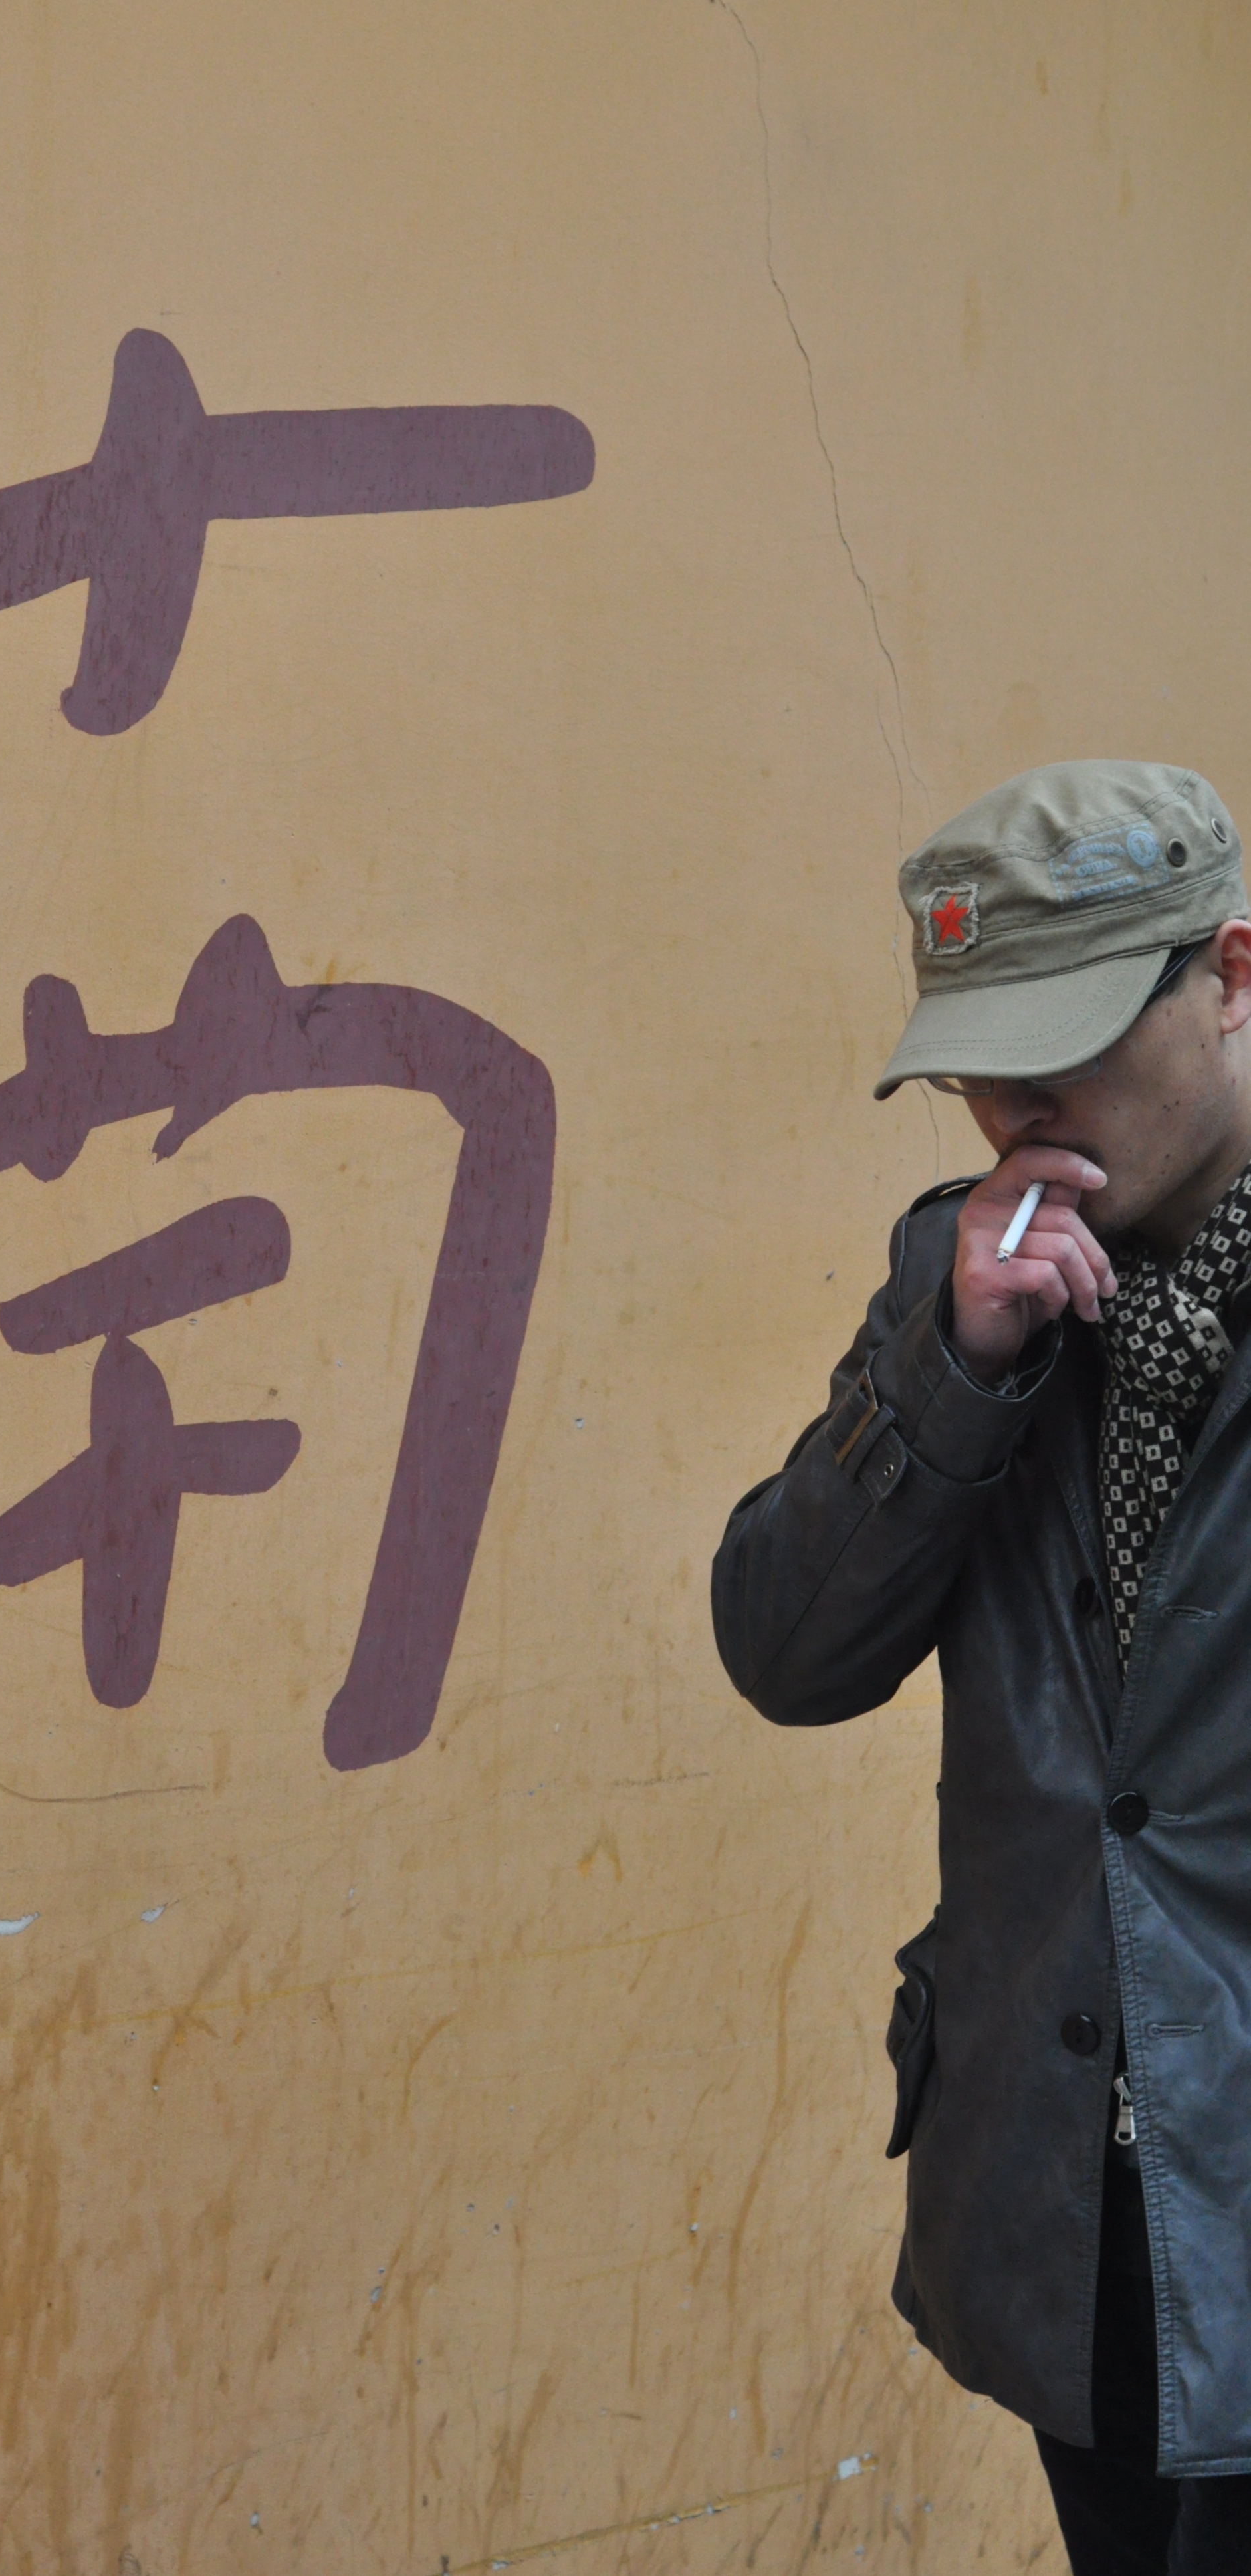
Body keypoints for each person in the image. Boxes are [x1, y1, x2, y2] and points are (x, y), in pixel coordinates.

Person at [711, 762, 1251, 2575]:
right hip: (1076, 2200)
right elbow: (786, 1650)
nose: (1021, 1109)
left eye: (1068, 1043)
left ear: (1231, 974)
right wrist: (955, 1370)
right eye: (979, 1064)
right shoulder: (962, 1286)